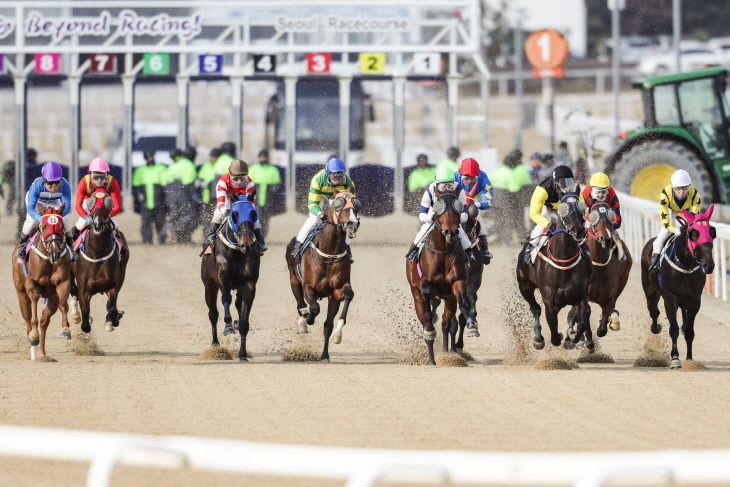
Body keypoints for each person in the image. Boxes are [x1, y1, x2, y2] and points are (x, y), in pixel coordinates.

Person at [291, 157, 356, 263]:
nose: (338, 179)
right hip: (320, 195)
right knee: (314, 220)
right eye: (334, 175)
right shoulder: (317, 180)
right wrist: (321, 214)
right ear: (328, 174)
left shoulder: (348, 183)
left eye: (341, 175)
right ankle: (298, 246)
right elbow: (312, 204)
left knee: (348, 221)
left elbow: (349, 205)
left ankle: (347, 247)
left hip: (336, 197)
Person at [405, 165, 475, 263]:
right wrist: (430, 217)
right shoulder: (429, 190)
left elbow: (465, 214)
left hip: (452, 216)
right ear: (436, 185)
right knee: (424, 230)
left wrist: (458, 219)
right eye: (443, 186)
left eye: (450, 185)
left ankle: (468, 252)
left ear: (454, 183)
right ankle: (414, 251)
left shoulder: (459, 190)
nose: (447, 189)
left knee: (460, 231)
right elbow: (421, 215)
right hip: (434, 214)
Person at [523, 165, 589, 265]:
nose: (567, 188)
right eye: (563, 184)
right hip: (548, 208)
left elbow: (582, 208)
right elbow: (534, 214)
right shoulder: (542, 190)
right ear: (556, 183)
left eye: (569, 182)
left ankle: (583, 247)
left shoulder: (574, 188)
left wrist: (583, 222)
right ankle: (530, 249)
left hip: (565, 208)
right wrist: (548, 224)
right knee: (541, 226)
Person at [202, 159, 267, 255]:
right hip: (227, 199)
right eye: (236, 178)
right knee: (218, 214)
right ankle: (210, 239)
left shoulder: (250, 183)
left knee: (255, 218)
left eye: (242, 178)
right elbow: (220, 203)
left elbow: (251, 204)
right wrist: (225, 211)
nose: (239, 181)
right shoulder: (222, 182)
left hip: (243, 201)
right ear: (230, 175)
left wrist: (244, 211)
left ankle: (261, 242)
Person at [16, 161, 75, 262]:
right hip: (37, 202)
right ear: (44, 180)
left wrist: (57, 217)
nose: (54, 186)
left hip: (54, 201)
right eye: (50, 183)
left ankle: (71, 248)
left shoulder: (65, 185)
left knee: (66, 220)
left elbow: (67, 207)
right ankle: (22, 248)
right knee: (31, 222)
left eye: (57, 182)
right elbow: (30, 209)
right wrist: (42, 218)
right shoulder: (36, 186)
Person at [648, 169, 701, 271]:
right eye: (677, 189)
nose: (681, 192)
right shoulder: (665, 193)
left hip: (687, 212)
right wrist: (674, 230)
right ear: (672, 187)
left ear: (689, 187)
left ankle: (701, 262)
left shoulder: (694, 194)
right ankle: (655, 262)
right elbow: (665, 221)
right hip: (670, 211)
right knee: (661, 237)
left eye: (685, 189)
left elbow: (694, 217)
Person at [74, 157, 126, 252]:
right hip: (88, 205)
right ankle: (72, 249)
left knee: (115, 227)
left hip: (105, 206)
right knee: (80, 225)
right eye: (96, 177)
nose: (99, 180)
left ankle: (121, 249)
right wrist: (86, 218)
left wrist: (108, 216)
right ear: (91, 175)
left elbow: (117, 206)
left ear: (107, 175)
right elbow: (78, 205)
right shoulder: (84, 181)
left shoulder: (112, 182)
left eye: (102, 177)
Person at [488, 149, 532, 245]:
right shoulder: (510, 173)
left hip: (492, 200)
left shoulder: (496, 171)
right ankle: (505, 241)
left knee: (498, 220)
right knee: (507, 220)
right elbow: (514, 189)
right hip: (504, 200)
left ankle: (496, 239)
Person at [454, 157, 493, 263]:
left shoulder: (483, 176)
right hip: (456, 202)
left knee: (479, 219)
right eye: (466, 178)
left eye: (473, 179)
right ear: (460, 174)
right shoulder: (454, 176)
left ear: (478, 175)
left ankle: (485, 250)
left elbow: (488, 197)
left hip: (473, 201)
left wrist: (479, 204)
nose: (469, 181)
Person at [581, 172, 626, 262]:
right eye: (597, 192)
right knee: (579, 235)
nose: (601, 195)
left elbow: (617, 212)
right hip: (590, 219)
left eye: (603, 192)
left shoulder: (611, 192)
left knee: (615, 235)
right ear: (591, 190)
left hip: (606, 220)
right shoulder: (586, 192)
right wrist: (586, 222)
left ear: (608, 190)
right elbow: (580, 210)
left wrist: (612, 225)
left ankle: (621, 252)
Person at [132, 150, 167, 244]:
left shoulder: (161, 168)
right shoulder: (140, 170)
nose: (150, 159)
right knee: (146, 222)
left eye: (151, 157)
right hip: (145, 202)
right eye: (148, 158)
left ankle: (161, 239)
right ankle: (147, 240)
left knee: (160, 221)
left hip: (158, 201)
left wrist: (164, 199)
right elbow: (136, 186)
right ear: (145, 159)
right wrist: (138, 195)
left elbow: (165, 185)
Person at [166, 147, 198, 244]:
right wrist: (194, 196)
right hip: (183, 194)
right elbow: (189, 183)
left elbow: (167, 181)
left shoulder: (173, 165)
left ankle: (178, 237)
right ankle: (175, 229)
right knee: (192, 215)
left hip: (171, 194)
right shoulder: (188, 164)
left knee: (174, 215)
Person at [248, 149, 281, 237]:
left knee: (265, 220)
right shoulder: (253, 169)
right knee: (255, 218)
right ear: (258, 158)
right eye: (261, 157)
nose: (263, 159)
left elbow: (277, 184)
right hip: (255, 200)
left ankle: (262, 237)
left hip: (268, 200)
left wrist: (272, 190)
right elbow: (248, 184)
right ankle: (253, 235)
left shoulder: (273, 170)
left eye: (265, 157)